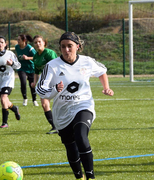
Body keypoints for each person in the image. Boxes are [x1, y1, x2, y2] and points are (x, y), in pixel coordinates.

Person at [36, 32, 114, 180]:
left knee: (81, 135)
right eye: (63, 47)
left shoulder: (87, 62)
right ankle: (79, 176)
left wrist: (106, 87)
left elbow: (102, 71)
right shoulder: (51, 66)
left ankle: (91, 176)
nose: (66, 50)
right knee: (70, 147)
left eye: (70, 46)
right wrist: (54, 90)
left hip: (83, 105)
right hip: (62, 112)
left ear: (77, 47)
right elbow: (40, 90)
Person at [31, 35, 58, 134]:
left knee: (59, 103)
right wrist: (35, 82)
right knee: (44, 104)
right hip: (45, 83)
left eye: (39, 42)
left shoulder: (49, 53)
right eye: (35, 42)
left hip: (55, 80)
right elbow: (36, 71)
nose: (37, 44)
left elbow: (57, 66)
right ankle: (54, 126)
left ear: (44, 43)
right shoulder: (35, 56)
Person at [15, 34, 39, 107]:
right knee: (23, 82)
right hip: (21, 68)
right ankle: (25, 98)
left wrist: (27, 58)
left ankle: (34, 100)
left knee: (32, 84)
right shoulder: (17, 47)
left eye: (19, 40)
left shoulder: (29, 48)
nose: (17, 41)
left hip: (30, 68)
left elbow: (36, 57)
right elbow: (16, 55)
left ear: (24, 41)